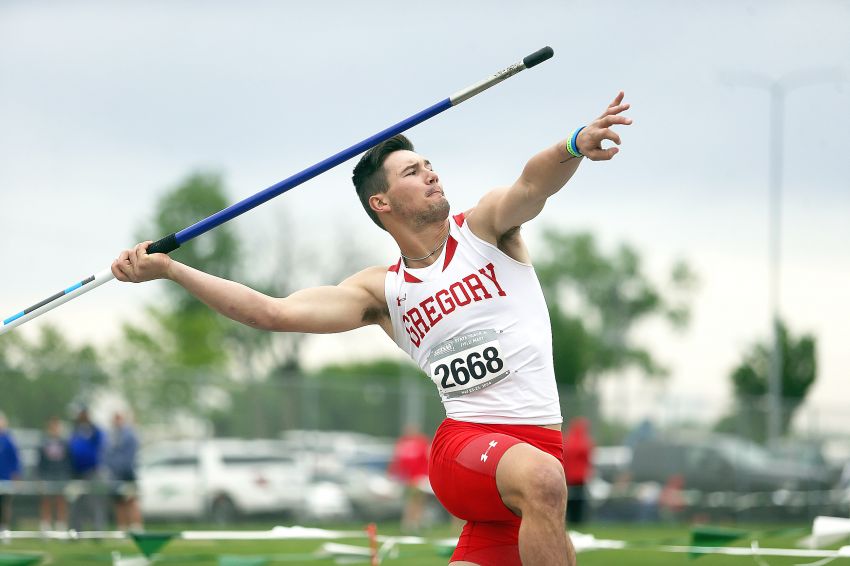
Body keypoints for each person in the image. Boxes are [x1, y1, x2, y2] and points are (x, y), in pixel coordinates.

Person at [112, 92, 631, 565]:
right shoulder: (381, 292)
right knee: (544, 481)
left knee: (550, 515)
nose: (431, 174)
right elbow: (269, 313)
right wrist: (172, 270)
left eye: (430, 165)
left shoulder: (486, 230)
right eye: (411, 172)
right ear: (381, 203)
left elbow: (533, 182)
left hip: (539, 446)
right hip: (468, 446)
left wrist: (575, 145)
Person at [68, 407, 106, 532]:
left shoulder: (94, 430)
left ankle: (97, 530)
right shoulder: (75, 430)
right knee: (76, 502)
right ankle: (76, 530)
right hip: (76, 472)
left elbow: (100, 445)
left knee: (94, 502)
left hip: (92, 471)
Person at [388, 424, 431, 532]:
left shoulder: (422, 442)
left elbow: (427, 459)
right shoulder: (403, 442)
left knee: (417, 500)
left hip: (419, 477)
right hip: (408, 478)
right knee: (413, 500)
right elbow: (398, 461)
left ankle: (414, 521)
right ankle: (411, 522)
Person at [104, 412, 142, 532]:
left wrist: (123, 467)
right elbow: (107, 455)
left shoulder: (129, 435)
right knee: (119, 502)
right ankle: (122, 528)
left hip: (128, 473)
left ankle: (136, 527)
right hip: (115, 475)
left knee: (131, 499)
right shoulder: (111, 436)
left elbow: (131, 456)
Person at [37, 416, 71, 531]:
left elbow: (68, 461)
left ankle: (60, 525)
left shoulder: (65, 443)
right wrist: (40, 477)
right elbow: (40, 461)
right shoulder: (44, 442)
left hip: (61, 476)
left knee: (60, 500)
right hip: (47, 475)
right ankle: (46, 526)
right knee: (46, 500)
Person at [562, 417, 594, 527]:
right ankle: (577, 521)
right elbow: (588, 454)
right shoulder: (583, 441)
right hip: (579, 477)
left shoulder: (567, 439)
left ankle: (570, 521)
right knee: (578, 501)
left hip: (568, 476)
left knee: (570, 501)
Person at [0, 412, 21, 532]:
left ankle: (4, 529)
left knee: (5, 505)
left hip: (5, 479)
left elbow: (15, 460)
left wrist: (16, 475)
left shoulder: (9, 440)